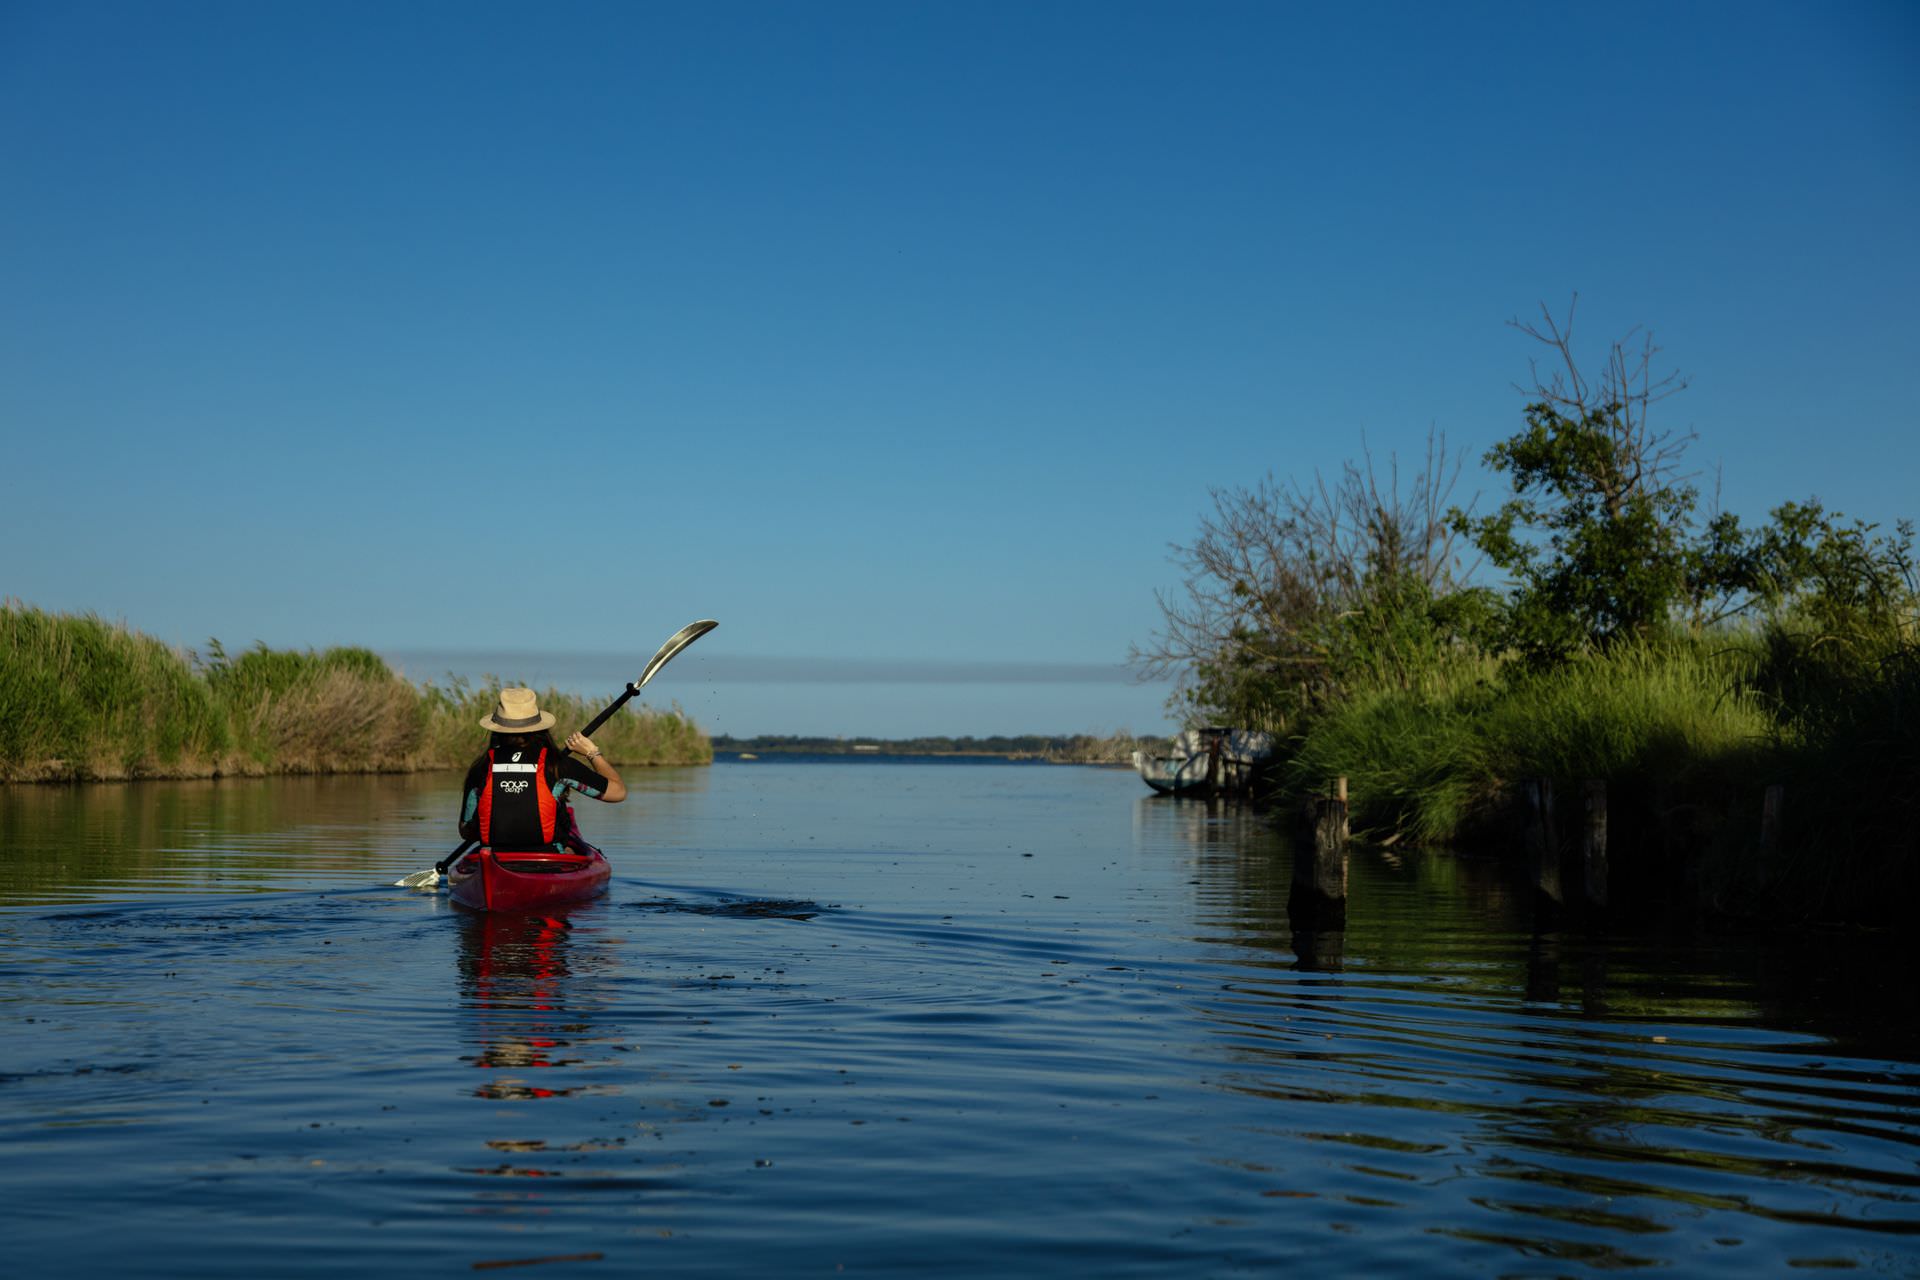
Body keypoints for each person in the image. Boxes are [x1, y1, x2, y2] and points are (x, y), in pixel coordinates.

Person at [458, 688, 626, 852]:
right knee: (567, 843)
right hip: (547, 860)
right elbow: (618, 792)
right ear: (540, 728)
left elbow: (466, 831)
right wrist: (592, 753)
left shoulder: (481, 767)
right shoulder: (558, 765)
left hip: (494, 857)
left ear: (496, 729)